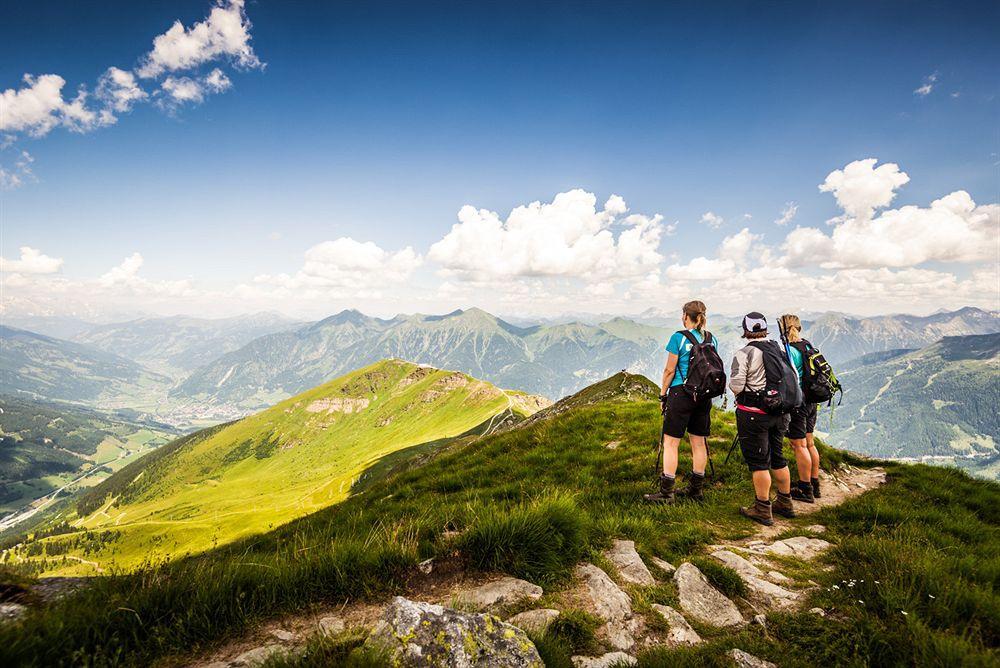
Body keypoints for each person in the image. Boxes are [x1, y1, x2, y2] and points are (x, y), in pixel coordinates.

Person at [644, 300, 717, 504]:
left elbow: (669, 370)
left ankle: (667, 493)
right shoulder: (711, 338)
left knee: (671, 442)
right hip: (703, 396)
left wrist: (663, 394)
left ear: (686, 316)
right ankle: (696, 490)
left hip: (681, 394)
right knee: (698, 442)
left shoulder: (678, 338)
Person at [729, 312, 795, 525]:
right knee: (778, 457)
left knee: (759, 462)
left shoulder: (744, 353)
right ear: (765, 328)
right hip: (781, 412)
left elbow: (737, 385)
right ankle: (785, 502)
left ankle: (762, 508)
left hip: (754, 415)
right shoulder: (778, 348)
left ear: (745, 329)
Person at [780, 314, 822, 501]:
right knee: (809, 443)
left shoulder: (790, 350)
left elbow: (786, 377)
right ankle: (815, 484)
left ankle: (805, 489)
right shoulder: (807, 345)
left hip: (799, 402)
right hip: (812, 400)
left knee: (799, 445)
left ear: (783, 329)